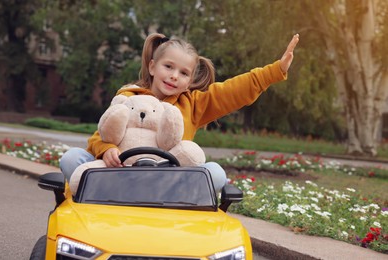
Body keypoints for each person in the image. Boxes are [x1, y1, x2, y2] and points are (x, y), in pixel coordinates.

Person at [60, 32, 299, 192]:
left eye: (184, 73)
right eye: (168, 67)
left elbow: (234, 90)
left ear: (190, 80)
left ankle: (169, 204)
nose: (175, 76)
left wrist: (275, 70)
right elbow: (99, 136)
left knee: (215, 173)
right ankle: (101, 198)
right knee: (71, 158)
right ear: (153, 67)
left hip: (166, 183)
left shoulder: (194, 104)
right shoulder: (128, 96)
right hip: (121, 177)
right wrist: (107, 149)